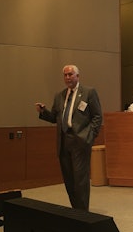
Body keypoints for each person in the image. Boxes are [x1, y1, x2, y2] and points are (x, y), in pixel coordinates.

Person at [35, 65, 102, 211]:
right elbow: (54, 117)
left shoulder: (88, 92)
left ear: (78, 76)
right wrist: (43, 112)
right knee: (69, 180)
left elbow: (97, 116)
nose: (67, 78)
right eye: (65, 75)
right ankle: (75, 210)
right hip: (64, 141)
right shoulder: (59, 95)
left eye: (70, 74)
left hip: (80, 141)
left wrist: (90, 136)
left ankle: (83, 213)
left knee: (80, 180)